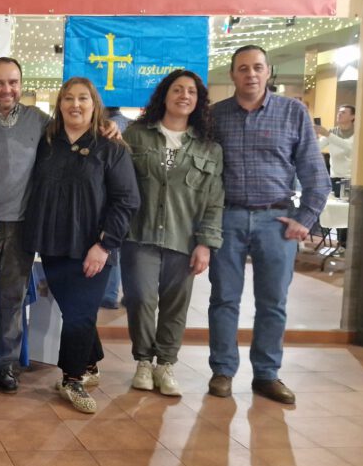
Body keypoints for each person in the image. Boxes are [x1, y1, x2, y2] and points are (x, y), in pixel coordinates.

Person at [208, 45, 330, 404]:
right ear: (232, 74)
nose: (251, 74)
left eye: (258, 67)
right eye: (243, 68)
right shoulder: (215, 117)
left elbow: (315, 174)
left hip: (276, 221)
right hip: (227, 218)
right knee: (224, 299)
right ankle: (223, 370)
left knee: (273, 301)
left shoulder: (293, 112)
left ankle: (266, 374)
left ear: (268, 72)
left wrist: (304, 219)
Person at [23, 77, 139, 414]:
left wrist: (104, 246)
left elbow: (127, 201)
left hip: (94, 247)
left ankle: (71, 379)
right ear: (59, 104)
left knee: (80, 313)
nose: (75, 104)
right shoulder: (47, 142)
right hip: (54, 246)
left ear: (94, 104)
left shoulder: (112, 147)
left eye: (83, 98)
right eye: (69, 98)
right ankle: (90, 361)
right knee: (75, 311)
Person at [122, 70, 223, 397]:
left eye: (191, 92)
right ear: (164, 95)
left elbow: (214, 200)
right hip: (139, 235)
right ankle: (143, 361)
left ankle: (165, 364)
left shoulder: (209, 148)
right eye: (177, 89)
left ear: (198, 100)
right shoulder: (136, 135)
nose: (184, 96)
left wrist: (206, 244)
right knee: (140, 299)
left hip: (184, 239)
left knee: (175, 306)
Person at [0, 57, 47, 393]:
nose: (7, 89)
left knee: (13, 300)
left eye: (13, 82)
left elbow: (79, 133)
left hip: (22, 227)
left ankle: (5, 365)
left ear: (21, 84)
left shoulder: (41, 121)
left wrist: (107, 129)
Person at [100, 106, 133, 309]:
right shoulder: (131, 124)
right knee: (122, 251)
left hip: (112, 199)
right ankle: (125, 294)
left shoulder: (108, 127)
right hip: (126, 199)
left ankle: (110, 294)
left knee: (112, 249)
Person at [316, 104, 355, 249]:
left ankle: (345, 245)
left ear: (353, 116)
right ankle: (341, 244)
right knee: (338, 211)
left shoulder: (357, 133)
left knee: (348, 213)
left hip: (351, 178)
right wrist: (314, 137)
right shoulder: (332, 132)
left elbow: (350, 148)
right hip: (335, 177)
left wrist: (328, 135)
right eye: (339, 112)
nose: (339, 114)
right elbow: (316, 147)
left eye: (343, 112)